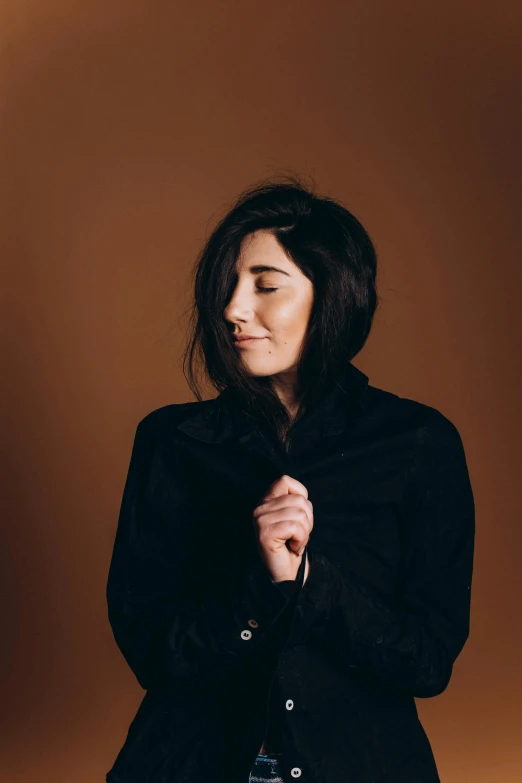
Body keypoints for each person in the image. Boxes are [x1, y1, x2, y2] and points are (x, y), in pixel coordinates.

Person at [105, 177, 475, 783]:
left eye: (265, 286)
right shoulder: (171, 442)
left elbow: (427, 662)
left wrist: (309, 582)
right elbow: (151, 650)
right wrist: (262, 593)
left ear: (332, 294)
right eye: (226, 286)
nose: (232, 309)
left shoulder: (419, 444)